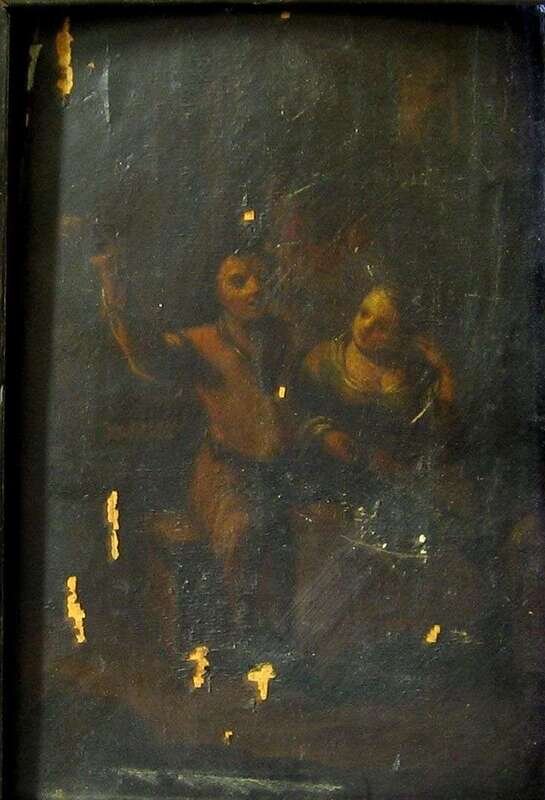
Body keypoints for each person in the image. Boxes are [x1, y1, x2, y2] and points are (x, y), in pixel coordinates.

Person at [92, 246, 297, 650]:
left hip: (278, 474)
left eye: (262, 278)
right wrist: (115, 301)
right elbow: (148, 355)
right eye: (238, 281)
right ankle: (240, 643)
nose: (254, 289)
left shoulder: (283, 337)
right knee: (241, 533)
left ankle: (278, 647)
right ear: (217, 291)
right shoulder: (202, 343)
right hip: (226, 475)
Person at [293, 285, 485, 665]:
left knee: (424, 543)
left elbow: (442, 438)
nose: (367, 327)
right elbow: (293, 417)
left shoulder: (412, 375)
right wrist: (324, 434)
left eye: (383, 325)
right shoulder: (324, 360)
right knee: (335, 542)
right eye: (364, 313)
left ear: (402, 335)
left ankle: (400, 653)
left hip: (394, 481)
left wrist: (443, 373)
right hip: (333, 477)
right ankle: (330, 656)